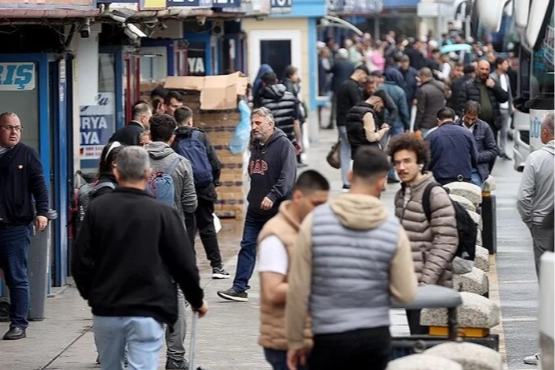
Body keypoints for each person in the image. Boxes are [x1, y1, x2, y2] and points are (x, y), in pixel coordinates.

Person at [72, 146, 208, 370]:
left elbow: (79, 261)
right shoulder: (164, 214)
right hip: (147, 309)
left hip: (108, 308)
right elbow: (183, 264)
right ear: (147, 174)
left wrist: (92, 294)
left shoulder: (98, 209)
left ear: (117, 174)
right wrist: (196, 300)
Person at [286, 146, 417, 370]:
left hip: (328, 336)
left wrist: (296, 340)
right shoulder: (392, 229)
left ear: (350, 176)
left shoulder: (315, 222)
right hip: (374, 337)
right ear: (382, 182)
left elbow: (298, 287)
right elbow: (406, 294)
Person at [217, 107, 297, 302]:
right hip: (255, 209)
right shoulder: (257, 146)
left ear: (271, 124)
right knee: (247, 246)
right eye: (253, 123)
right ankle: (239, 287)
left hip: (277, 209)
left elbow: (288, 178)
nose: (253, 127)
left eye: (258, 123)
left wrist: (272, 195)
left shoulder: (284, 146)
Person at [258, 170, 330, 370]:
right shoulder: (275, 235)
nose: (320, 211)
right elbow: (273, 291)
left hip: (312, 338)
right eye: (316, 204)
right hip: (285, 341)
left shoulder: (312, 229)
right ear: (298, 197)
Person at [388, 132, 459, 334]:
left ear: (420, 163)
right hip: (410, 286)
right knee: (417, 340)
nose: (401, 167)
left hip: (431, 288)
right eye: (397, 163)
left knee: (431, 348)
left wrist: (425, 282)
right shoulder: (401, 194)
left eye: (407, 161)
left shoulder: (434, 193)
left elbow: (447, 240)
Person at [144, 114, 197, 369]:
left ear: (149, 134)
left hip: (138, 241)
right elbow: (191, 204)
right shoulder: (182, 163)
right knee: (175, 295)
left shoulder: (133, 161)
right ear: (172, 137)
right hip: (172, 240)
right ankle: (175, 358)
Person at [0, 112, 50, 340]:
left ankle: (19, 324)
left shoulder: (27, 154)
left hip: (15, 227)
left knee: (16, 275)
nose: (14, 132)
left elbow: (40, 185)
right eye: (9, 127)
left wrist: (42, 212)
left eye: (18, 128)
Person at [172, 106, 229, 279]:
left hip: (185, 191)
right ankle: (217, 267)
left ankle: (191, 268)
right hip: (204, 188)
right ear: (190, 120)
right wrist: (214, 182)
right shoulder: (201, 136)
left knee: (188, 228)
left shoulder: (173, 140)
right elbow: (215, 162)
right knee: (207, 226)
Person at [517, 111, 555, 366]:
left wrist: (532, 223)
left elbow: (523, 199)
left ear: (545, 133)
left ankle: (548, 354)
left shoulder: (536, 158)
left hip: (544, 230)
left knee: (549, 294)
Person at [335, 65, 370, 190]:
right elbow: (358, 105)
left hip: (341, 123)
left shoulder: (343, 85)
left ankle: (346, 181)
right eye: (364, 77)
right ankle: (354, 179)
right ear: (360, 73)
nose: (364, 80)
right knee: (356, 152)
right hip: (351, 124)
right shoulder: (353, 87)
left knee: (345, 152)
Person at [425, 107, 479, 185]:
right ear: (454, 119)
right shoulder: (467, 134)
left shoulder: (431, 136)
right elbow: (475, 158)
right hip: (464, 178)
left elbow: (426, 161)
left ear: (438, 120)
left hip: (441, 179)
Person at [255, 71, 303, 155]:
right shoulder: (291, 97)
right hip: (288, 142)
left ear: (263, 83)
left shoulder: (262, 101)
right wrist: (299, 141)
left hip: (270, 144)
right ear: (276, 81)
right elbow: (296, 122)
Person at [456, 101, 498, 188]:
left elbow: (493, 150)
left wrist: (477, 157)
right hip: (457, 170)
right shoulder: (455, 126)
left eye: (473, 119)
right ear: (463, 112)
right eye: (468, 118)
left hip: (476, 171)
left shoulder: (484, 127)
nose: (470, 122)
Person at [346, 91, 388, 157]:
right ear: (378, 101)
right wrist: (384, 130)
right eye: (381, 107)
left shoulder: (353, 110)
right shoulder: (368, 113)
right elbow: (371, 137)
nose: (379, 110)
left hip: (355, 152)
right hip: (368, 153)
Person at [490, 57, 514, 160]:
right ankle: (495, 150)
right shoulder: (492, 77)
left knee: (504, 130)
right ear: (499, 65)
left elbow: (509, 93)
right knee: (495, 130)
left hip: (506, 107)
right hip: (496, 108)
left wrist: (511, 104)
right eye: (505, 63)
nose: (507, 65)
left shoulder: (506, 76)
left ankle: (502, 150)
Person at [415, 68, 446, 137]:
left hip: (426, 124)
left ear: (423, 76)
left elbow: (421, 110)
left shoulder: (423, 90)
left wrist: (416, 126)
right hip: (440, 122)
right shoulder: (441, 85)